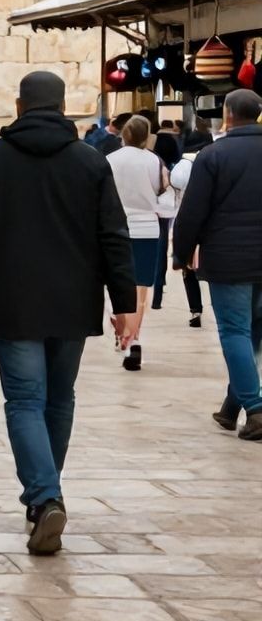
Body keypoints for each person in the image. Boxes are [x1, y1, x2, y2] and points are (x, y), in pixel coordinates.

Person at [0, 71, 136, 556]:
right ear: (63, 106)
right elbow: (113, 237)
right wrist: (125, 305)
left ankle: (44, 496)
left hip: (12, 299)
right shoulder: (91, 162)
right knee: (59, 399)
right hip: (73, 301)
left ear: (19, 104)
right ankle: (44, 497)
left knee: (25, 400)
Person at [172, 89, 262, 441]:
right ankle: (231, 404)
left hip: (229, 260)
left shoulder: (213, 155)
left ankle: (254, 409)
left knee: (235, 331)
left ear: (227, 114)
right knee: (255, 331)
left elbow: (192, 211)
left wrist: (181, 253)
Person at [106, 115, 166, 371]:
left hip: (116, 227)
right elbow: (160, 189)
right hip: (146, 228)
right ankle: (135, 338)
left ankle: (125, 336)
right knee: (141, 291)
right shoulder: (154, 161)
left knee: (119, 285)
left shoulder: (110, 160)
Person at [168, 129, 213, 328]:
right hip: (213, 222)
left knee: (189, 269)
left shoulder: (184, 164)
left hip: (187, 219)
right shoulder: (215, 159)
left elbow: (174, 182)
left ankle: (195, 309)